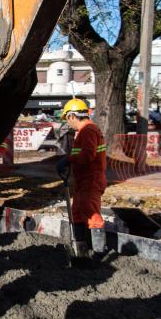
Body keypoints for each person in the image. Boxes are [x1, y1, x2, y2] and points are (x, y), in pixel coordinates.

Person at [55, 98, 106, 261]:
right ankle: (80, 248)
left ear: (72, 116)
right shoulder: (85, 131)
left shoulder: (88, 131)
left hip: (91, 180)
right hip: (84, 180)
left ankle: (97, 254)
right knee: (77, 212)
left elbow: (87, 156)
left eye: (67, 119)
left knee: (91, 214)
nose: (68, 124)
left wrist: (69, 160)